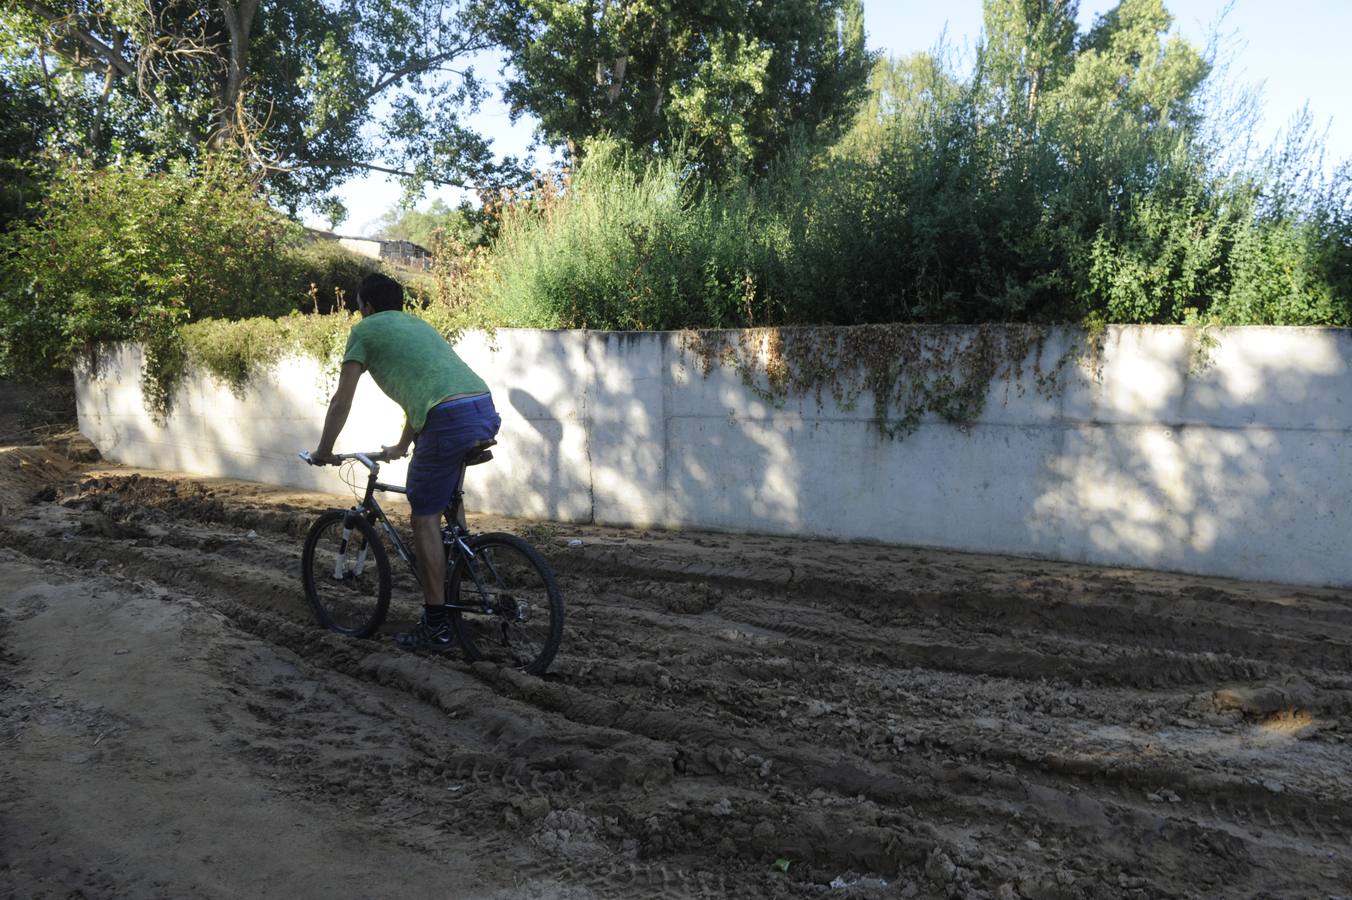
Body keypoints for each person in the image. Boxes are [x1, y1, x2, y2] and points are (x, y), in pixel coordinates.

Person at [308, 272, 500, 651]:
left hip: (445, 419)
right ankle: (464, 568)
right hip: (481, 407)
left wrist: (324, 450)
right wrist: (401, 444)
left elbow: (341, 400)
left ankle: (437, 626)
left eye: (358, 305)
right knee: (444, 499)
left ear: (367, 306)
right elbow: (427, 391)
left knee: (423, 517)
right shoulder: (417, 325)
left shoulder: (365, 332)